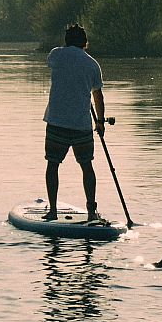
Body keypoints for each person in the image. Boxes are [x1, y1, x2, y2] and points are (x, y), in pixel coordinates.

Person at [43, 22, 106, 221]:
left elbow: (51, 62)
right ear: (85, 42)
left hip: (57, 122)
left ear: (66, 40)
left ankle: (53, 210)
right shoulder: (92, 64)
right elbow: (98, 95)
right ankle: (91, 211)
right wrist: (100, 122)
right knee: (87, 166)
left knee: (53, 165)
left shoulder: (56, 55)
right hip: (81, 125)